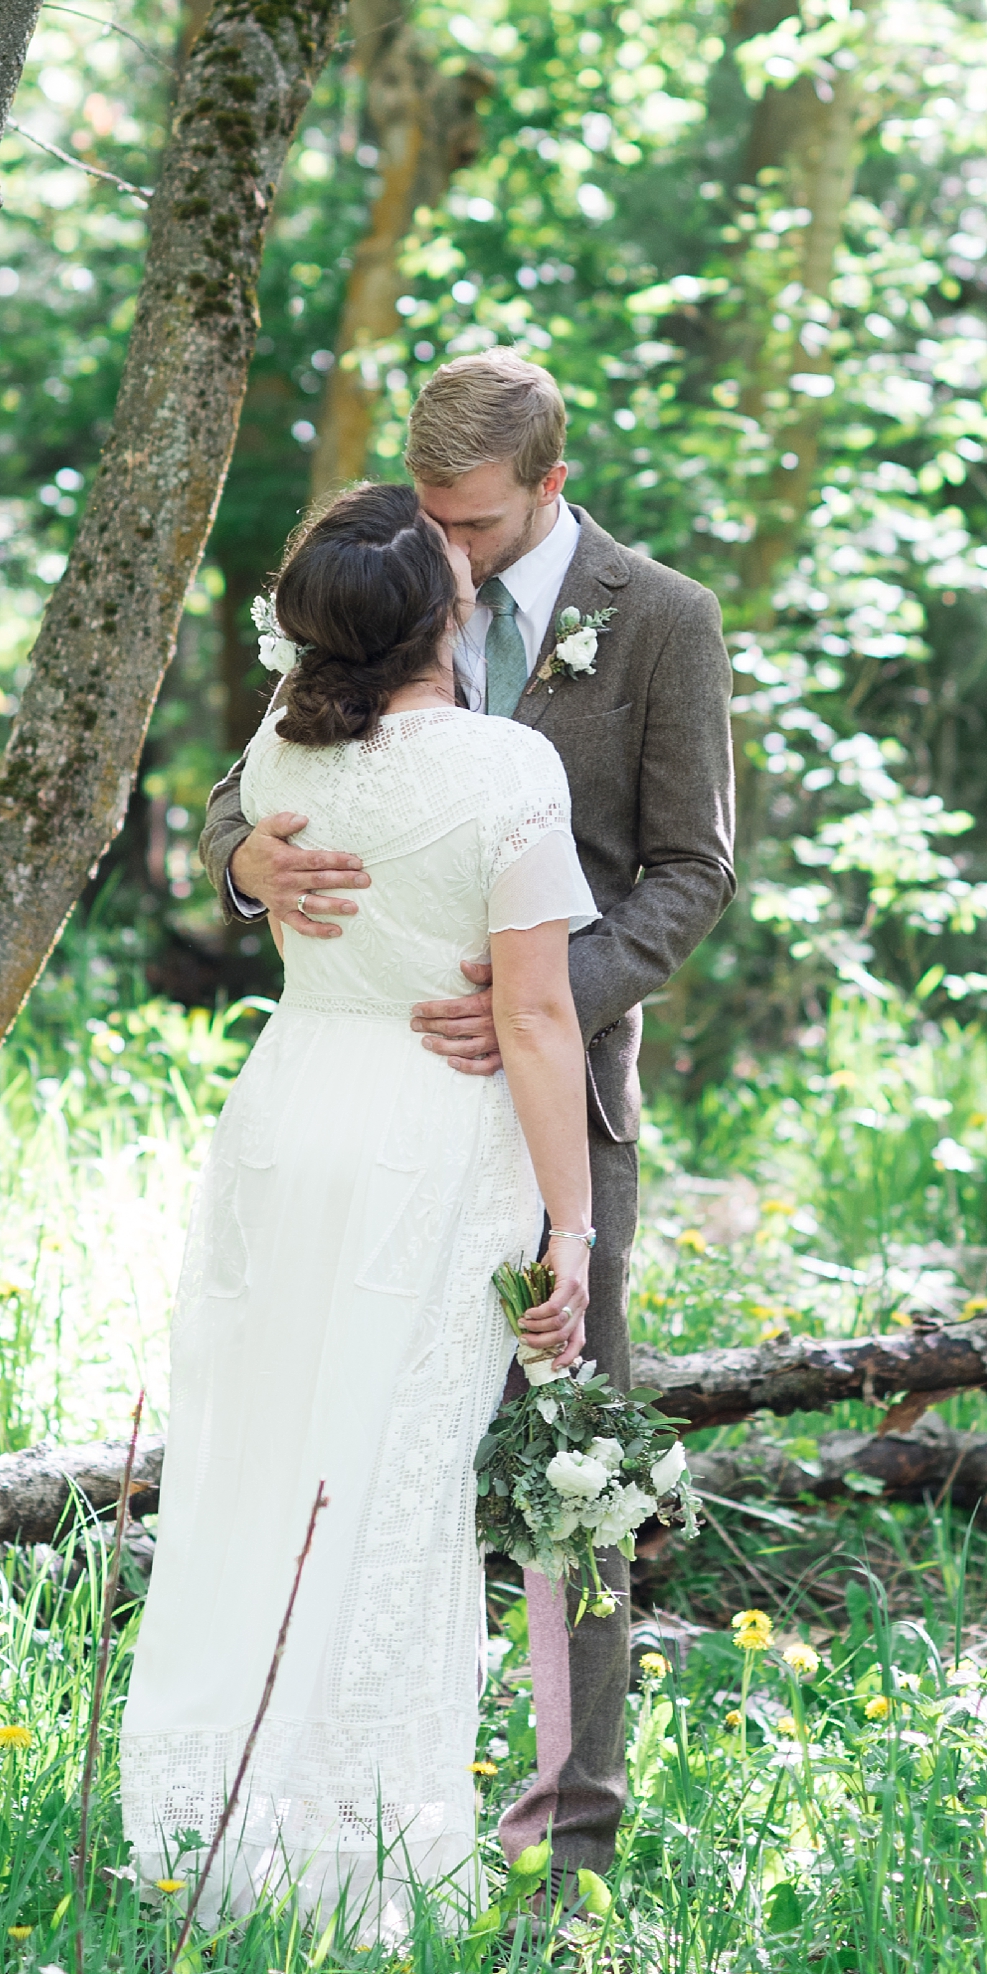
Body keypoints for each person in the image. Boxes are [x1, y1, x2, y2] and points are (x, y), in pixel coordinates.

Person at [201, 352, 735, 1891]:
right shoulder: (381, 575)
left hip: (560, 1111)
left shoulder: (663, 622)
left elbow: (691, 872)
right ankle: (326, 1795)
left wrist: (536, 1001)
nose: (450, 549)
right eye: (433, 515)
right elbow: (253, 795)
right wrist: (251, 874)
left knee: (573, 1470)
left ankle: (565, 1842)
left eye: (479, 522)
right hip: (372, 1121)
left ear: (551, 485)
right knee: (359, 1444)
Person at [119, 481, 600, 1942]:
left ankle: (217, 1816)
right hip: (427, 1139)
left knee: (263, 1457)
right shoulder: (510, 768)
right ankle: (361, 1848)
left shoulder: (281, 746)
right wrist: (569, 1231)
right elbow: (533, 1019)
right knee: (392, 1481)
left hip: (288, 1112)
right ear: (445, 612)